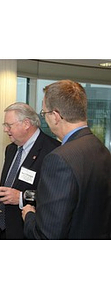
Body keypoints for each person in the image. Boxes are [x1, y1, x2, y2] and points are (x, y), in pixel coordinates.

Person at [22, 80, 111, 239]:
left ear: (55, 116)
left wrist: (29, 216)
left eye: (44, 113)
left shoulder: (59, 159)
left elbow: (46, 237)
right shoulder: (102, 150)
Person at [0, 102, 60, 239]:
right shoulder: (11, 149)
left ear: (26, 123)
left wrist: (21, 198)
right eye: (5, 125)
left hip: (25, 232)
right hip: (0, 228)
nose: (5, 130)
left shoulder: (53, 151)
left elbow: (56, 199)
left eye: (9, 125)